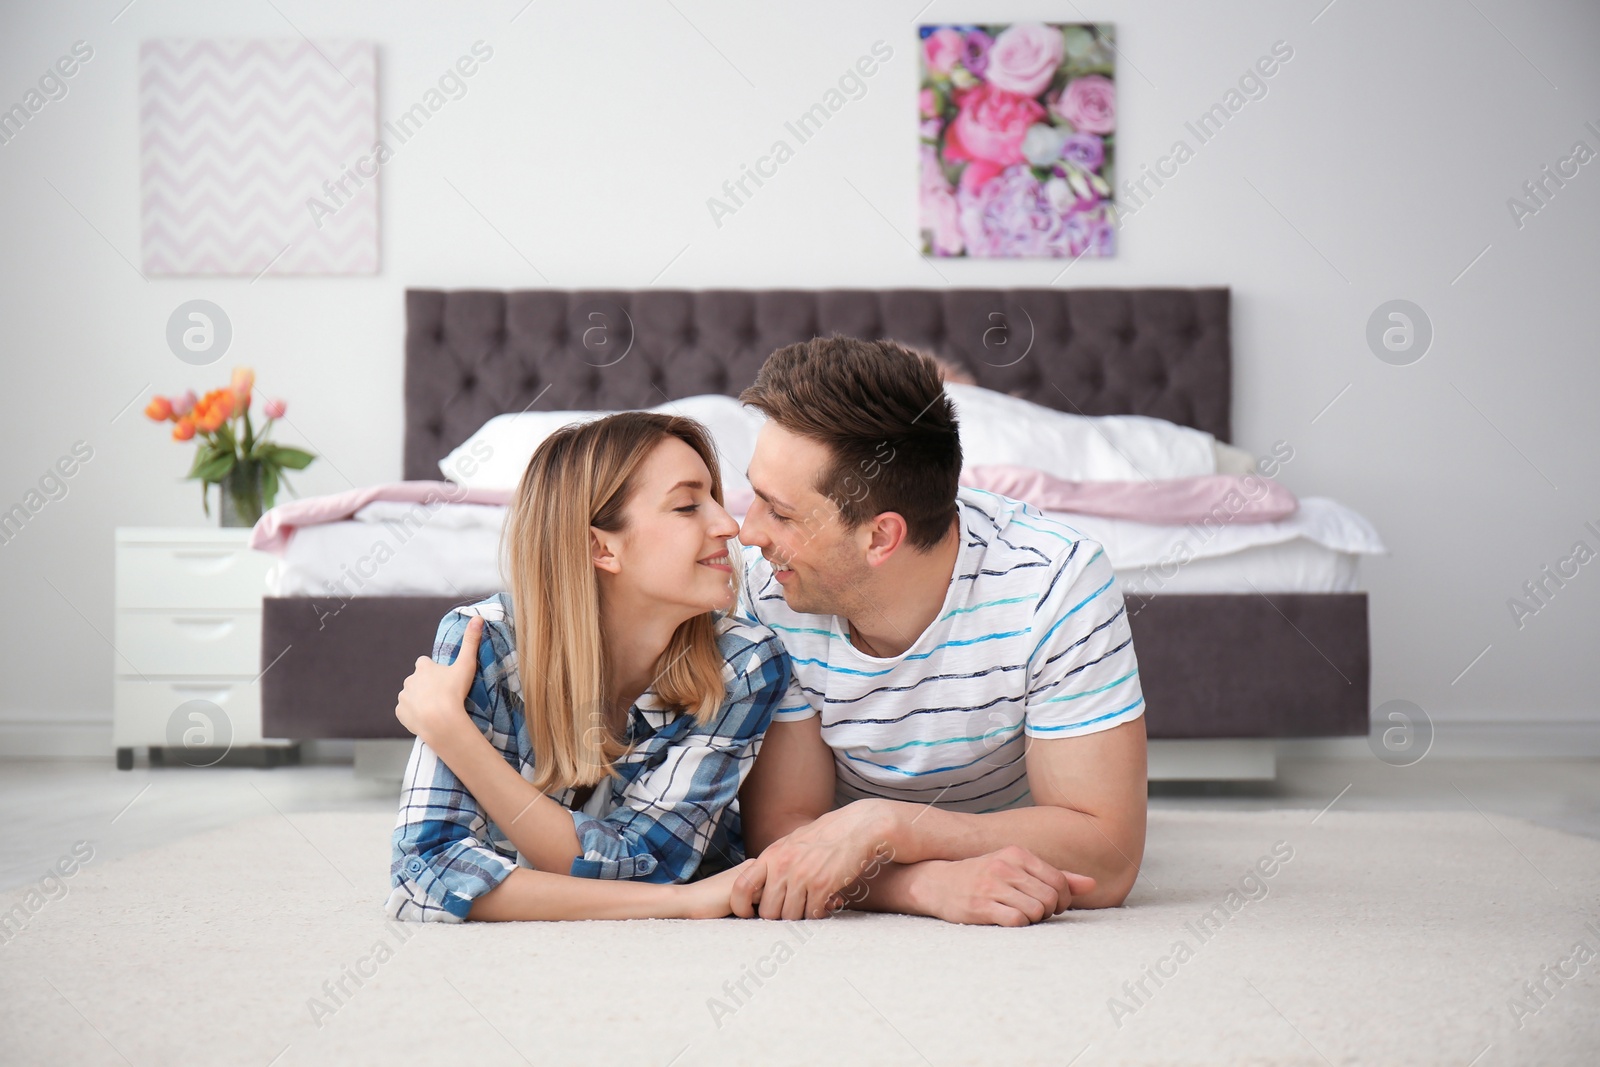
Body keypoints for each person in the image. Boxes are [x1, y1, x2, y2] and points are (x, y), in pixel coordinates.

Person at [730, 336, 1149, 927]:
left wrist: (890, 824)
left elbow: (1107, 860)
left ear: (880, 537)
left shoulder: (1055, 581)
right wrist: (922, 886)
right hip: (951, 848)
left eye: (780, 512)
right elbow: (783, 835)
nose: (746, 533)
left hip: (989, 822)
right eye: (754, 495)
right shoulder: (768, 584)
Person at [385, 412, 796, 922]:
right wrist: (682, 902)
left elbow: (647, 863)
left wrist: (454, 735)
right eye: (688, 505)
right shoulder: (483, 642)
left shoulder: (747, 661)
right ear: (601, 547)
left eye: (715, 497)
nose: (729, 525)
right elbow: (425, 876)